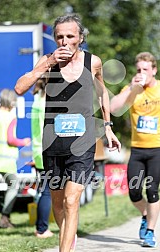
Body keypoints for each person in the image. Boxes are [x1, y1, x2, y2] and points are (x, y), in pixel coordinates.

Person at [15, 14, 121, 252]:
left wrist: (107, 127)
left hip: (82, 144)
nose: (64, 41)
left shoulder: (93, 62)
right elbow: (19, 88)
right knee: (58, 203)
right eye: (59, 37)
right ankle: (67, 239)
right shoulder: (47, 61)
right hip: (53, 143)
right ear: (54, 38)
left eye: (70, 36)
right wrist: (47, 63)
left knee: (71, 200)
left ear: (80, 38)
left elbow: (103, 93)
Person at [110, 52, 160, 248]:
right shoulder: (132, 90)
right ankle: (145, 214)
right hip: (137, 150)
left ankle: (150, 232)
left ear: (154, 70)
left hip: (157, 149)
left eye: (145, 70)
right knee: (133, 191)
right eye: (138, 70)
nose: (142, 73)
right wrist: (131, 87)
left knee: (152, 190)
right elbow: (114, 108)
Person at [0, 88, 30, 228]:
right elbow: (11, 140)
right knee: (14, 185)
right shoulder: (10, 117)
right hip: (5, 160)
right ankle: (4, 218)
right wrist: (24, 142)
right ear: (11, 102)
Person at [31, 78, 54, 238]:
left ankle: (40, 227)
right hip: (48, 150)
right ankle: (42, 229)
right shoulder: (47, 103)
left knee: (43, 189)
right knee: (47, 191)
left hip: (38, 151)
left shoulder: (36, 102)